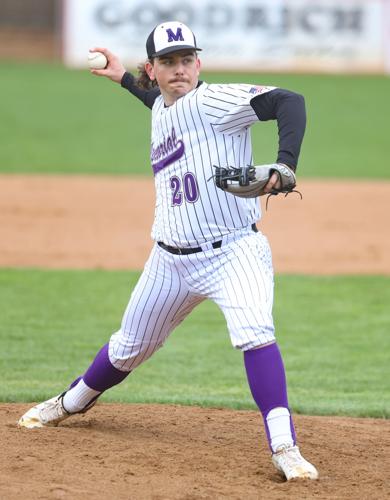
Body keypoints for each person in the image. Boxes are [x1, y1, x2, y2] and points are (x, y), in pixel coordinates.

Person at [18, 21, 318, 481]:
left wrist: (285, 164)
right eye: (167, 62)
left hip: (233, 252)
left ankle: (285, 447)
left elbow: (289, 101)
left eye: (186, 60)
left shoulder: (216, 101)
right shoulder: (161, 104)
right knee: (128, 347)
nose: (179, 70)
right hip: (169, 260)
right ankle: (71, 402)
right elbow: (156, 101)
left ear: (198, 63)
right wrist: (122, 78)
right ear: (152, 70)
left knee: (255, 333)